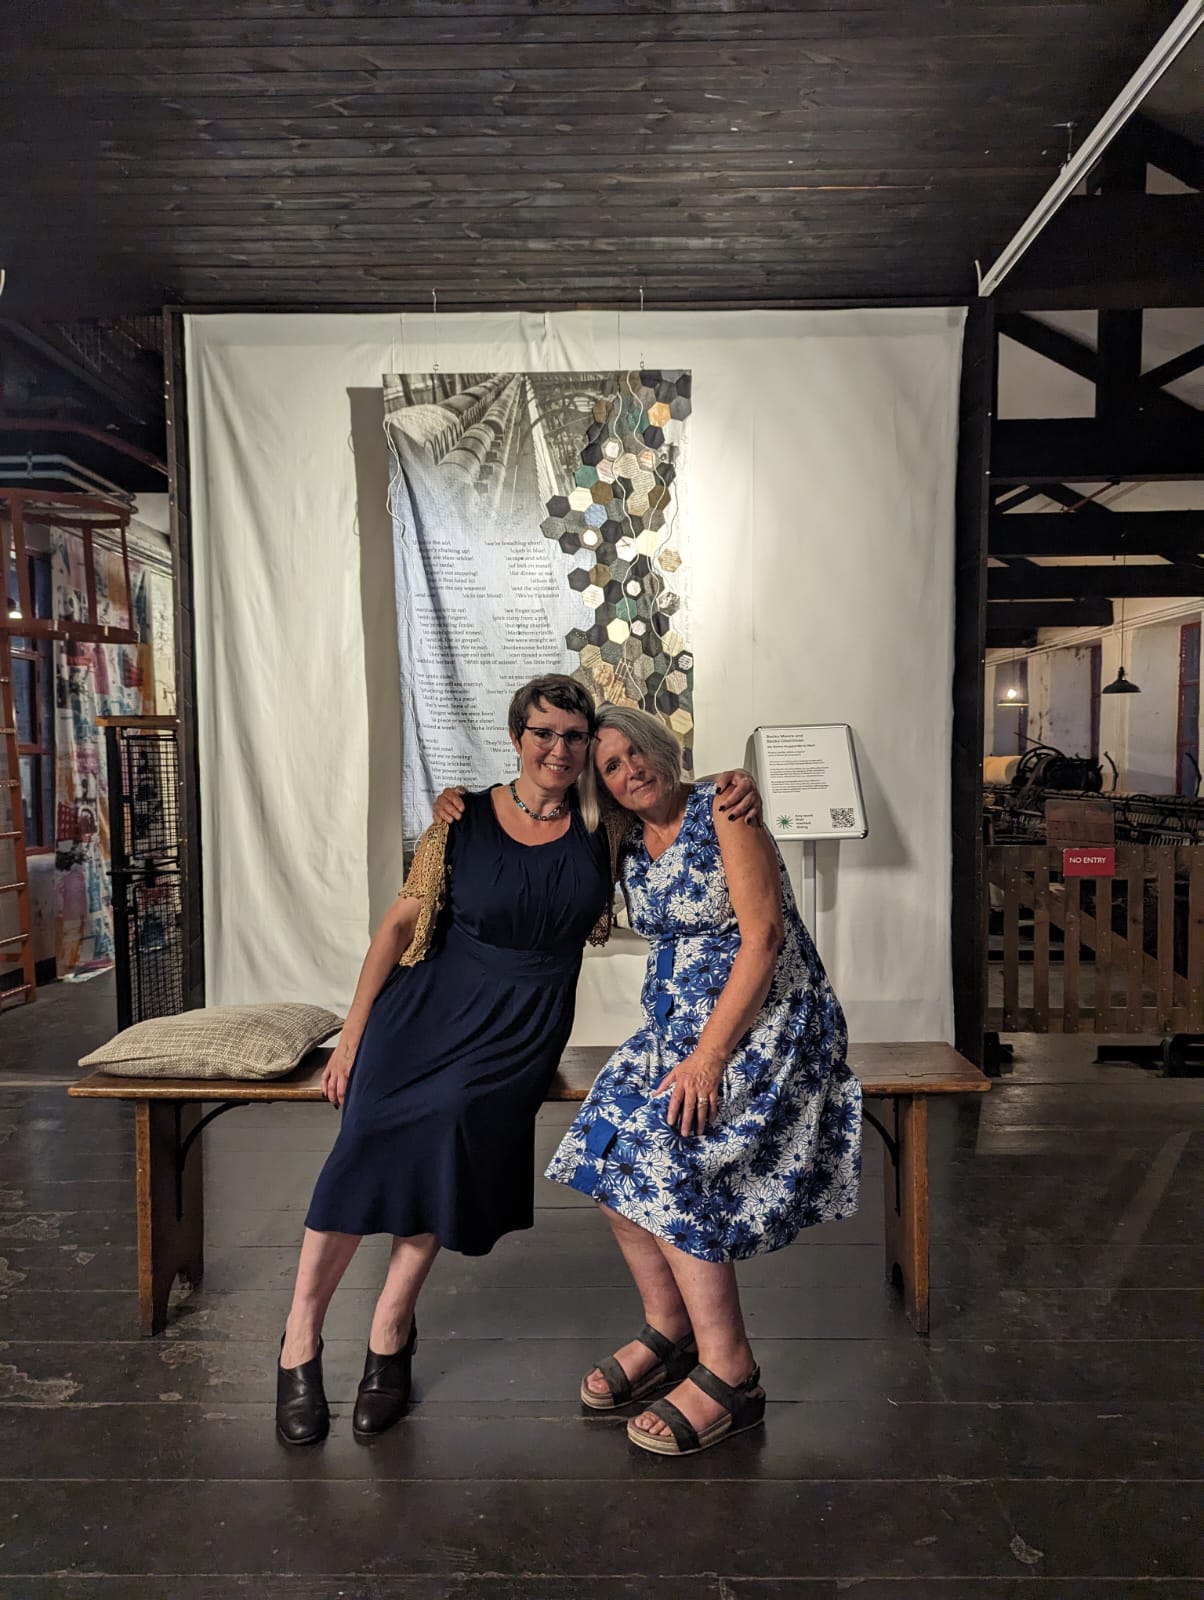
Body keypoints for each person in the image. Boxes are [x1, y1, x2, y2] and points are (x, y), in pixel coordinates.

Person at [276, 674, 759, 1447]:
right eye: (544, 734)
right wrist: (355, 1031)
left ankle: (391, 1327)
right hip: (428, 1003)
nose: (560, 750)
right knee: (367, 1128)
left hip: (522, 1021)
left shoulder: (600, 822)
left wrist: (733, 782)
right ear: (517, 738)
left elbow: (658, 789)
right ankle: (299, 1338)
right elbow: (400, 924)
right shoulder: (461, 818)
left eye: (574, 738)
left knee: (455, 1118)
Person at [545, 704, 861, 1457]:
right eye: (611, 766)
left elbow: (764, 938)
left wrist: (711, 1056)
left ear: (661, 747)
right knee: (600, 1149)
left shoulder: (723, 804)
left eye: (636, 753)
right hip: (671, 1033)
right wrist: (450, 804)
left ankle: (733, 1371)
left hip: (766, 1023)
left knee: (669, 1152)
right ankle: (671, 1329)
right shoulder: (620, 837)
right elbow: (528, 808)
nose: (630, 771)